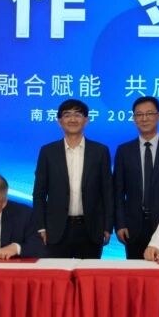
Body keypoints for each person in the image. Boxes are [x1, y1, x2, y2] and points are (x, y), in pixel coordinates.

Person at [32, 99, 113, 258]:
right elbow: (39, 193)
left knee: (88, 273)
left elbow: (107, 192)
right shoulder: (48, 152)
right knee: (58, 273)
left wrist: (107, 226)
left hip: (91, 229)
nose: (72, 119)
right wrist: (41, 227)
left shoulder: (100, 151)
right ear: (59, 121)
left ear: (86, 120)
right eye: (67, 115)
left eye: (77, 115)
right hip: (56, 230)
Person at [113, 95, 159, 259]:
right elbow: (117, 191)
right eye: (139, 114)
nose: (144, 119)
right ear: (134, 119)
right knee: (136, 272)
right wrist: (120, 223)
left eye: (149, 113)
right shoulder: (124, 151)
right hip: (132, 227)